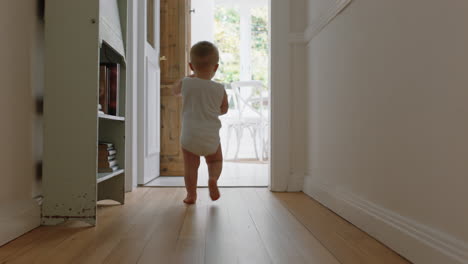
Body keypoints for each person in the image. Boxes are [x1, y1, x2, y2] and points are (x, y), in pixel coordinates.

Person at [173, 41, 229, 204]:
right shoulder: (219, 88)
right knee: (215, 160)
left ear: (191, 66)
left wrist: (185, 79)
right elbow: (224, 109)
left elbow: (174, 90)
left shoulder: (186, 83)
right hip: (210, 135)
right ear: (216, 67)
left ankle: (191, 195)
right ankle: (212, 179)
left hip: (190, 136)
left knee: (191, 167)